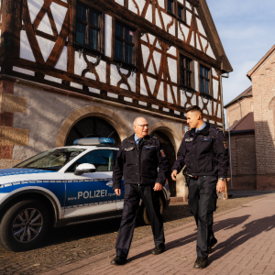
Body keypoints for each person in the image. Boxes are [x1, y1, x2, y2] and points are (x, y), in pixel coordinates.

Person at [171, 106, 229, 269]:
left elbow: (222, 157)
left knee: (204, 214)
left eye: (189, 118)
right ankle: (210, 238)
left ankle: (202, 254)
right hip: (192, 180)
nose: (187, 121)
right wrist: (176, 167)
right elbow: (181, 155)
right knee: (195, 211)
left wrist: (222, 178)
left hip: (208, 179)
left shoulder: (214, 134)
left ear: (198, 116)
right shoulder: (188, 135)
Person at [111, 117, 169, 265]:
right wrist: (116, 183)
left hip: (150, 185)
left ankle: (159, 243)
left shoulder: (154, 143)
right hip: (131, 186)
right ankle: (121, 254)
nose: (145, 128)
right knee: (127, 218)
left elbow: (163, 164)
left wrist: (159, 181)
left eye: (147, 125)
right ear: (134, 127)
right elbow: (118, 166)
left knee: (154, 214)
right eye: (142, 126)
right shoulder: (126, 143)